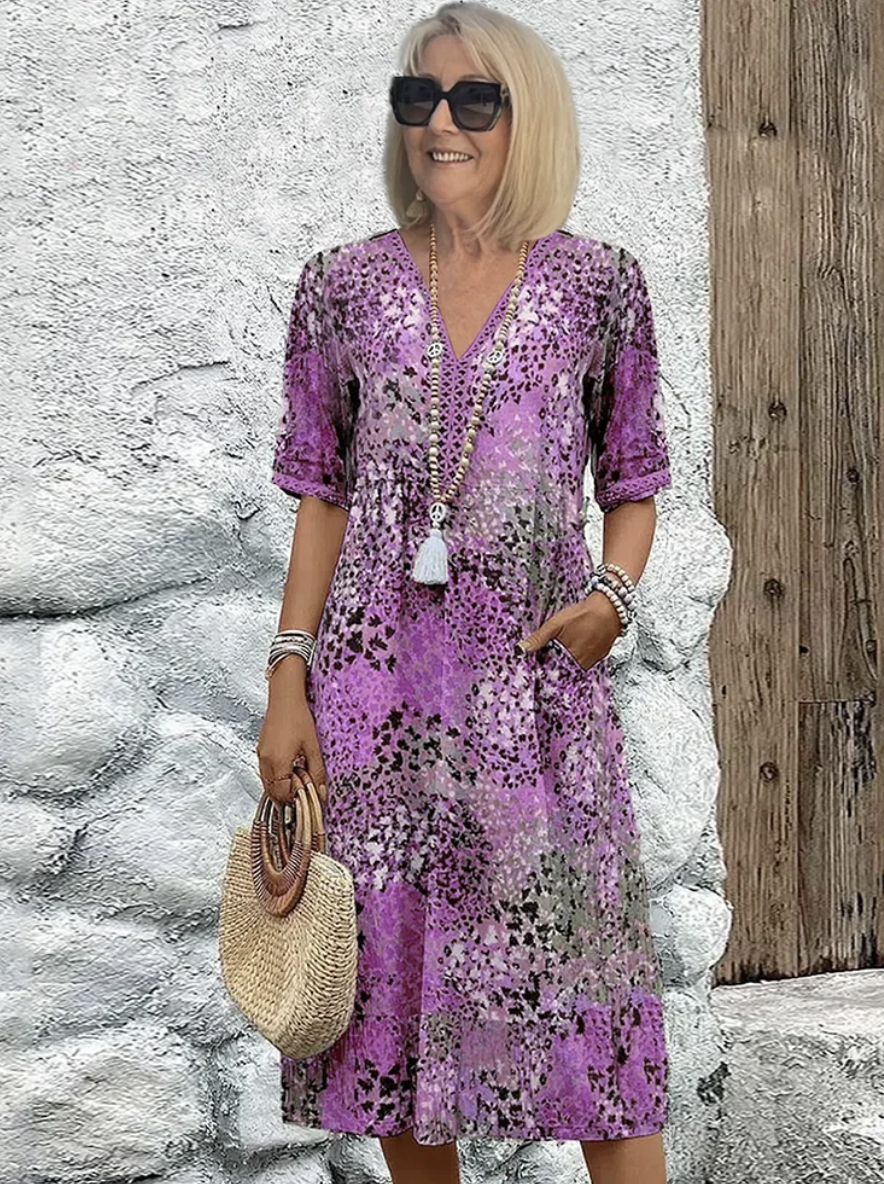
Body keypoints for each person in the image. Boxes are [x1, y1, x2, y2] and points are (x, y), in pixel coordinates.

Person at [255, 4, 673, 1183]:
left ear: (523, 117)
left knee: (587, 1013)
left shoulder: (599, 287)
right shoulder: (340, 288)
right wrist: (287, 676)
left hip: (533, 701)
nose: (439, 122)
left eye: (471, 99)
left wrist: (610, 598)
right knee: (390, 999)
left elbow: (634, 480)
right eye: (417, 98)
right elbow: (322, 494)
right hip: (373, 701)